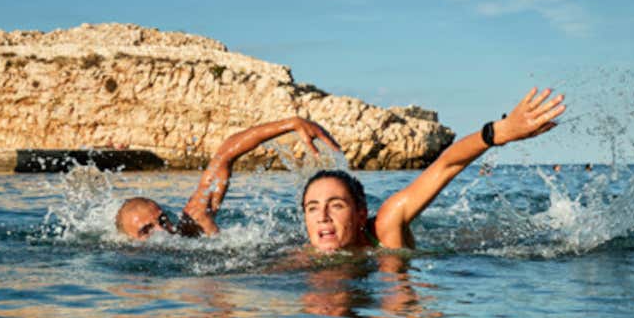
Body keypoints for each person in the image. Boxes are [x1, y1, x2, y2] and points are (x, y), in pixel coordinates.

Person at [301, 87, 565, 252]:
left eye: (336, 205)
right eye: (312, 208)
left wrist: (497, 133)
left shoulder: (386, 227)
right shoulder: (297, 262)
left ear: (361, 214)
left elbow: (445, 166)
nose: (322, 216)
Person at [117, 116, 339, 240]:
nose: (161, 230)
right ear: (126, 242)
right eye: (145, 230)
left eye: (162, 220)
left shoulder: (192, 222)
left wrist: (291, 124)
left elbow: (225, 154)